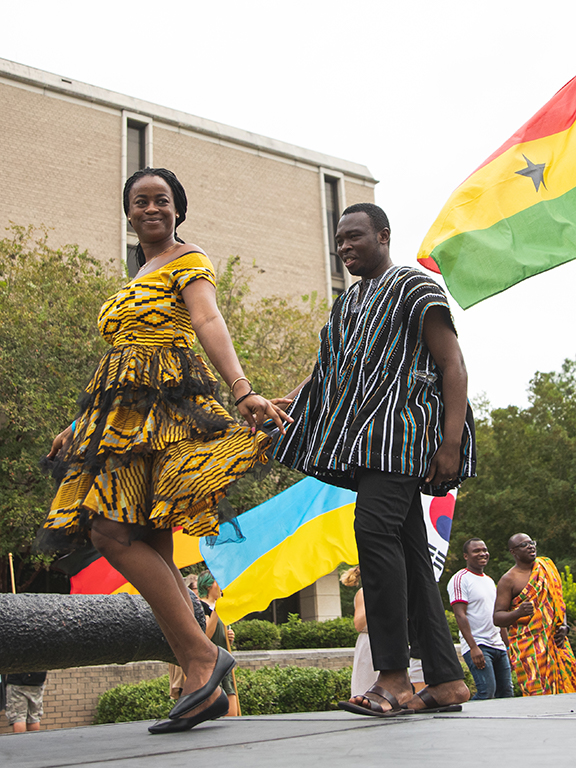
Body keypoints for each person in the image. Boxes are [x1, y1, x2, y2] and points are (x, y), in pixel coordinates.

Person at [38, 167, 290, 735]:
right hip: (120, 413)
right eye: (140, 202)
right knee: (147, 539)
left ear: (178, 209)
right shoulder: (137, 273)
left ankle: (201, 657)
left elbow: (207, 319)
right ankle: (199, 663)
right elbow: (118, 359)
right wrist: (81, 423)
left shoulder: (186, 259)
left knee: (108, 532)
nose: (151, 209)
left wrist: (242, 388)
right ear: (127, 213)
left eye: (162, 200)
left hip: (167, 405)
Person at [273, 203, 476, 717]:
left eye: (354, 237)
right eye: (339, 240)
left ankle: (392, 676)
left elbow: (452, 364)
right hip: (367, 441)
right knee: (408, 553)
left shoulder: (415, 288)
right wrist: (283, 405)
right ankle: (448, 680)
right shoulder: (347, 305)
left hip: (404, 435)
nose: (344, 247)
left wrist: (450, 443)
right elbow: (325, 374)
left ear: (383, 236)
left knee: (373, 533)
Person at [493, 533, 576, 696]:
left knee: (569, 684)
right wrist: (518, 612)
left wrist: (564, 625)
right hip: (529, 647)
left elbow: (558, 601)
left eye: (531, 543)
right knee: (537, 693)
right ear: (513, 552)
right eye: (523, 545)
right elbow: (497, 618)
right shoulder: (508, 580)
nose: (530, 546)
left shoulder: (546, 567)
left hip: (556, 642)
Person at [447, 538, 513, 700]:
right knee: (487, 693)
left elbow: (498, 616)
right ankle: (461, 720)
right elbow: (460, 615)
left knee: (506, 694)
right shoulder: (460, 579)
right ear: (466, 556)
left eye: (484, 550)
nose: (482, 553)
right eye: (476, 551)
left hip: (498, 647)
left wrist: (507, 646)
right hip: (479, 646)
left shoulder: (490, 581)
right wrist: (473, 647)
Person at [197, 571, 239, 717]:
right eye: (217, 582)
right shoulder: (200, 607)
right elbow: (206, 635)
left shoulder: (220, 607)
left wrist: (229, 637)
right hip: (211, 665)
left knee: (232, 711)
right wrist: (216, 610)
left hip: (224, 660)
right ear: (208, 585)